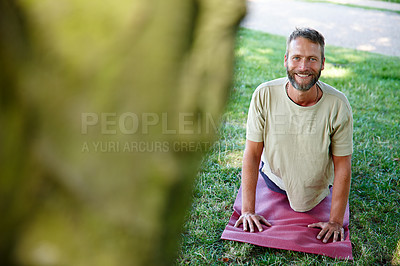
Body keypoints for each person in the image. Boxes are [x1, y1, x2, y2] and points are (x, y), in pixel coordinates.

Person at [234, 28, 353, 243]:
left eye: (312, 59)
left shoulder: (338, 104)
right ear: (286, 60)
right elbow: (252, 153)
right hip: (274, 181)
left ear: (323, 63)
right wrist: (248, 210)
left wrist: (335, 221)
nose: (304, 67)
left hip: (319, 190)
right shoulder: (263, 94)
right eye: (297, 58)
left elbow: (343, 163)